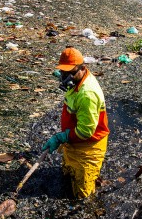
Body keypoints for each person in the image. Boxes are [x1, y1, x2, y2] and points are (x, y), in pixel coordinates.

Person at [42, 47, 109, 199]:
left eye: (71, 72)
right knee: (67, 172)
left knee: (82, 193)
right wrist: (65, 136)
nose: (66, 76)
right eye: (63, 72)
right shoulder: (76, 82)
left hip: (88, 146)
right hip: (73, 140)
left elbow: (86, 132)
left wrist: (60, 137)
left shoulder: (87, 94)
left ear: (83, 68)